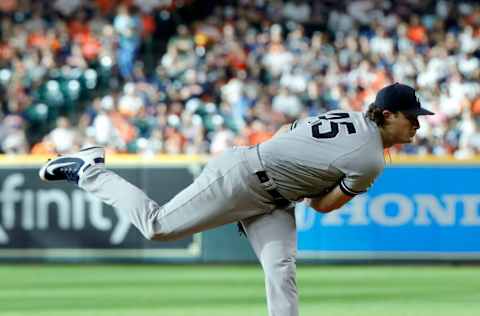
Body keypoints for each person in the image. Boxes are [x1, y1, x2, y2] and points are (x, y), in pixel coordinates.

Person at [39, 83, 434, 316]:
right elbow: (322, 206)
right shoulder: (369, 159)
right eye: (410, 116)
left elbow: (286, 130)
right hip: (244, 179)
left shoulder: (346, 115)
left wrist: (294, 174)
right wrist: (311, 181)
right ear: (385, 114)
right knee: (157, 226)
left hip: (271, 194)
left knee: (281, 269)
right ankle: (89, 169)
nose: (417, 123)